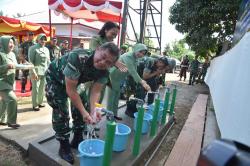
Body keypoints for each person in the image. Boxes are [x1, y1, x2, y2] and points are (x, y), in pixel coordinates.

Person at [45, 42, 120, 164]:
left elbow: (95, 92)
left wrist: (93, 110)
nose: (103, 62)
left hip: (75, 81)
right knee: (61, 110)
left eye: (108, 62)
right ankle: (64, 145)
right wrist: (85, 112)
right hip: (56, 79)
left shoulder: (104, 72)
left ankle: (78, 137)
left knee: (83, 106)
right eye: (103, 56)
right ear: (98, 49)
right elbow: (71, 90)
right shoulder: (78, 57)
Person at [107, 43, 151, 121]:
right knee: (111, 99)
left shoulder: (135, 58)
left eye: (143, 53)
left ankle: (114, 115)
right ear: (136, 49)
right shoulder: (128, 56)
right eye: (140, 52)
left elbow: (135, 71)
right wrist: (142, 82)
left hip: (119, 79)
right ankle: (109, 118)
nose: (141, 54)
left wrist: (138, 82)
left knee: (116, 98)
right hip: (112, 77)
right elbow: (132, 71)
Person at [0, 35, 20, 129]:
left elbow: (15, 65)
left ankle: (1, 119)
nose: (11, 44)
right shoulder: (0, 54)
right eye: (9, 42)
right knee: (12, 99)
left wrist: (24, 66)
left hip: (10, 81)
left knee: (4, 101)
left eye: (12, 42)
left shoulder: (12, 54)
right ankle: (11, 122)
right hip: (2, 82)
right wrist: (6, 66)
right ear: (3, 43)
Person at [29, 33, 50, 111]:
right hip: (36, 72)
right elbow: (31, 61)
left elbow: (48, 61)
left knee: (42, 88)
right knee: (36, 89)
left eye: (44, 39)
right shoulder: (33, 48)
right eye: (41, 39)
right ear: (38, 39)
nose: (43, 41)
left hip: (44, 72)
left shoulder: (46, 49)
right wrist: (33, 72)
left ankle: (40, 102)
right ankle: (35, 105)